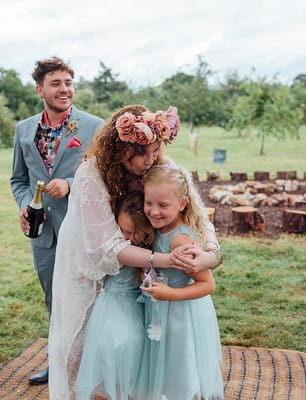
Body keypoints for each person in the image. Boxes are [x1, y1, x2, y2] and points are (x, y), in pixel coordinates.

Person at [48, 104, 223, 399]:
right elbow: (108, 247)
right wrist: (164, 260)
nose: (149, 160)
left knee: (143, 347)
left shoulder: (159, 169)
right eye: (143, 152)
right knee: (95, 346)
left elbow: (200, 219)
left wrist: (210, 255)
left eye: (155, 151)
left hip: (145, 272)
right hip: (91, 264)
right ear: (119, 148)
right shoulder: (92, 174)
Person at [10, 56, 103, 385]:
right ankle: (60, 364)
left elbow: (107, 177)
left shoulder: (94, 126)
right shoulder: (23, 131)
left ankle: (94, 366)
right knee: (55, 298)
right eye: (56, 84)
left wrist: (71, 185)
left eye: (68, 83)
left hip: (84, 230)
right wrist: (25, 205)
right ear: (40, 90)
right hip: (44, 235)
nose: (65, 90)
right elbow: (18, 180)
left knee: (91, 296)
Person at [137, 164, 224, 400]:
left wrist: (170, 294)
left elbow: (208, 285)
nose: (154, 211)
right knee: (164, 365)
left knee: (179, 367)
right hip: (162, 308)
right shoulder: (159, 229)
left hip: (181, 314)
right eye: (149, 203)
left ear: (183, 204)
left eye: (163, 205)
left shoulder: (180, 240)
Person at [75, 192, 154, 400]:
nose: (125, 236)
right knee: (110, 351)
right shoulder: (116, 246)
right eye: (121, 229)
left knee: (135, 355)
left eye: (131, 231)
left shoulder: (147, 248)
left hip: (138, 306)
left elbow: (148, 280)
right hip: (112, 306)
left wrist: (147, 275)